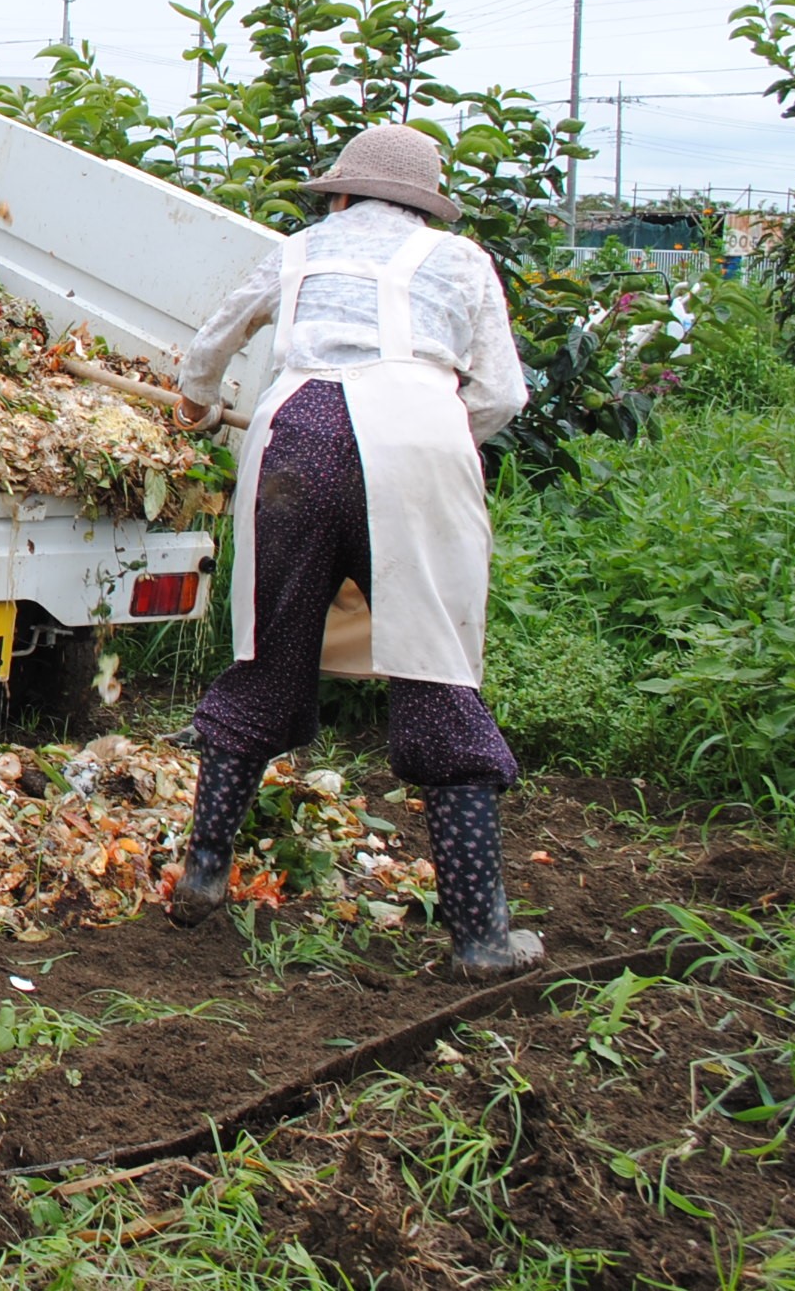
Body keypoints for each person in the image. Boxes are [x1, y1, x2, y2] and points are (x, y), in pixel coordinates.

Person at [168, 122, 539, 980]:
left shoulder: (300, 250)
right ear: (421, 204)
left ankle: (203, 873)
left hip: (294, 438)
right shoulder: (459, 260)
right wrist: (436, 436)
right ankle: (480, 936)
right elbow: (501, 395)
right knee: (435, 667)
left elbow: (207, 350)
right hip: (418, 437)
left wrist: (195, 401)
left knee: (267, 654)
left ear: (341, 195)